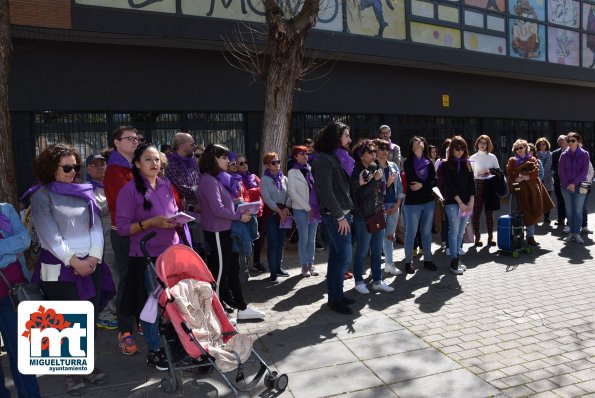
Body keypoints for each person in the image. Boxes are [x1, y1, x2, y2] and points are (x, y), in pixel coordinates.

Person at [27, 143, 113, 394]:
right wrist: (75, 261)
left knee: (88, 317)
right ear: (51, 167)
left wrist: (93, 259)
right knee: (61, 321)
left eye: (75, 166)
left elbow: (96, 228)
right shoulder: (41, 195)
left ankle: (87, 365)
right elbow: (49, 235)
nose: (72, 171)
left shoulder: (85, 193)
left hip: (91, 264)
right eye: (67, 167)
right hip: (58, 267)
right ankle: (68, 371)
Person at [116, 143, 181, 371]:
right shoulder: (130, 190)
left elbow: (172, 214)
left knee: (173, 302)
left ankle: (176, 342)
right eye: (148, 159)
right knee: (152, 305)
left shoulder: (165, 185)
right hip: (146, 256)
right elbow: (123, 228)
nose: (154, 164)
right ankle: (154, 350)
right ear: (137, 164)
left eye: (156, 159)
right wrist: (150, 223)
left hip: (171, 253)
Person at [198, 144, 265, 321]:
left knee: (232, 269)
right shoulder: (208, 180)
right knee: (219, 273)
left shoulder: (217, 178)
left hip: (226, 230)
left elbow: (222, 205)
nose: (228, 160)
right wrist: (238, 215)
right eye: (224, 157)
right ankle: (218, 314)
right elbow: (217, 209)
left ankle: (241, 307)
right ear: (213, 159)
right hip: (218, 231)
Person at [103, 125, 141, 355]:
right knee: (126, 284)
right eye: (129, 138)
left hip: (143, 232)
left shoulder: (135, 165)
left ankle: (141, 322)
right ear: (117, 142)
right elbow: (128, 201)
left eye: (136, 138)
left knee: (142, 281)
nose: (135, 141)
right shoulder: (114, 170)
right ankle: (125, 332)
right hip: (125, 233)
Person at [312, 121, 356, 315]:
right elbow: (325, 191)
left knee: (337, 257)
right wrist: (339, 216)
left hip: (342, 214)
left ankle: (336, 295)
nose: (350, 139)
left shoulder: (334, 156)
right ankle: (335, 298)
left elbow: (340, 187)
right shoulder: (323, 159)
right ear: (336, 136)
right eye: (346, 135)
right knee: (344, 256)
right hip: (335, 216)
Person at [0, 202, 41, 398]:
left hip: (13, 294)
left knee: (21, 353)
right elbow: (15, 244)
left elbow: (24, 240)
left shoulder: (5, 209)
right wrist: (9, 253)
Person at [350, 139, 394, 294]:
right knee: (362, 251)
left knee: (376, 250)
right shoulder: (356, 170)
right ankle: (359, 281)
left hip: (377, 214)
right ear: (362, 155)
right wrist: (373, 180)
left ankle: (377, 280)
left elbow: (379, 192)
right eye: (370, 151)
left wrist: (387, 184)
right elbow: (359, 195)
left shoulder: (374, 167)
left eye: (375, 151)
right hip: (363, 216)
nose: (374, 154)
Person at [87, 153, 119, 330]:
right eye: (95, 164)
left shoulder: (112, 184)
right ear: (88, 169)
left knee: (120, 277)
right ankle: (105, 312)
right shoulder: (87, 189)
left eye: (102, 163)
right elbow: (94, 212)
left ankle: (118, 310)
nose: (100, 167)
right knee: (109, 278)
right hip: (103, 242)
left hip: (120, 238)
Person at [506, 139, 554, 246]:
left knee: (530, 211)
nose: (519, 150)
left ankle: (530, 237)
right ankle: (516, 236)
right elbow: (510, 173)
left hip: (531, 191)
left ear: (525, 148)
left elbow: (535, 173)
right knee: (515, 213)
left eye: (521, 147)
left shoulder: (532, 159)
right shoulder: (512, 160)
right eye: (517, 148)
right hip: (516, 191)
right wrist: (522, 176)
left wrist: (521, 176)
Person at [402, 136, 438, 274]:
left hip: (428, 202)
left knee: (426, 233)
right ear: (412, 147)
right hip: (412, 204)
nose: (419, 141)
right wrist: (426, 185)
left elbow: (435, 181)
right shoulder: (408, 162)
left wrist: (423, 184)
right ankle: (408, 262)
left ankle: (428, 260)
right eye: (415, 141)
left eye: (421, 140)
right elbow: (412, 184)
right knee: (410, 233)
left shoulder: (429, 161)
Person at [441, 136, 475, 275]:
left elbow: (471, 183)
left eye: (462, 148)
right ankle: (454, 262)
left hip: (467, 204)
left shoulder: (467, 163)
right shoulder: (445, 164)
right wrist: (460, 202)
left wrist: (471, 201)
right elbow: (449, 186)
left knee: (461, 233)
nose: (460, 151)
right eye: (457, 148)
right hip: (453, 203)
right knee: (454, 233)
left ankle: (458, 260)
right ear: (452, 149)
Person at [165, 132, 203, 255]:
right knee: (191, 248)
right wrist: (198, 197)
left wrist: (200, 198)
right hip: (184, 212)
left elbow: (200, 182)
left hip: (199, 209)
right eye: (192, 144)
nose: (194, 146)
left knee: (202, 247)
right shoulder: (171, 164)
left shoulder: (192, 161)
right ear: (182, 146)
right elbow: (181, 187)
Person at [287, 146, 320, 277]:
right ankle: (304, 265)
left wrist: (315, 207)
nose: (305, 156)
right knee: (304, 238)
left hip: (314, 209)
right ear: (295, 156)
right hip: (300, 209)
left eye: (306, 153)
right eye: (301, 153)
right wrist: (308, 208)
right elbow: (292, 193)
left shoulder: (312, 169)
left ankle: (311, 264)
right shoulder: (292, 172)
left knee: (312, 239)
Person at [260, 152, 292, 281]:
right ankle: (273, 271)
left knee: (281, 243)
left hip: (284, 214)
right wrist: (279, 211)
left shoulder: (284, 178)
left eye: (278, 162)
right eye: (274, 162)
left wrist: (286, 209)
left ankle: (279, 267)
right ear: (267, 165)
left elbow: (290, 195)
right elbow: (266, 198)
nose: (277, 164)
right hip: (272, 215)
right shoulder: (264, 180)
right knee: (272, 243)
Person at [375, 138, 404, 276]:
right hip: (379, 207)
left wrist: (398, 204)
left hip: (393, 205)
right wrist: (387, 184)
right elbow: (374, 191)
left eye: (387, 149)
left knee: (389, 236)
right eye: (382, 148)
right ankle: (377, 268)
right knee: (378, 238)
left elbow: (399, 187)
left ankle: (389, 264)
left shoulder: (393, 165)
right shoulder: (373, 166)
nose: (385, 151)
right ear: (376, 150)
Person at [236, 154, 266, 273]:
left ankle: (256, 261)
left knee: (258, 238)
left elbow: (262, 190)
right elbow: (243, 195)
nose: (244, 165)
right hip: (246, 213)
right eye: (241, 163)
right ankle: (245, 265)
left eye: (245, 162)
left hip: (258, 211)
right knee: (246, 239)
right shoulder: (236, 179)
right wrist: (254, 192)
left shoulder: (253, 177)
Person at [559, 132, 591, 244]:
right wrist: (568, 184)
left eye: (573, 140)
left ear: (578, 141)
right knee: (570, 211)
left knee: (578, 211)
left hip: (580, 187)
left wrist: (574, 184)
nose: (570, 143)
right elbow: (561, 171)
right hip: (566, 187)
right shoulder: (563, 155)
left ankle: (577, 233)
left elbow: (584, 171)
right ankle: (571, 233)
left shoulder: (585, 154)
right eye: (568, 141)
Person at [469, 135, 501, 246]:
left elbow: (499, 171)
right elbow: (469, 175)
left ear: (488, 144)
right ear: (477, 143)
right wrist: (478, 174)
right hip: (477, 185)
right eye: (481, 142)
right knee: (476, 213)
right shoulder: (472, 157)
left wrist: (490, 171)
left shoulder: (492, 157)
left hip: (490, 185)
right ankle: (477, 237)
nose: (483, 144)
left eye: (485, 143)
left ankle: (491, 237)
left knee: (489, 213)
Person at [551, 135, 568, 229]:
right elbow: (553, 166)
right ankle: (561, 219)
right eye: (559, 140)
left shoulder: (571, 151)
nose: (561, 141)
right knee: (560, 201)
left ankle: (570, 221)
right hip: (558, 181)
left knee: (569, 201)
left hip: (569, 182)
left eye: (563, 139)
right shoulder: (555, 153)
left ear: (567, 140)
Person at [536, 137, 554, 224]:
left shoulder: (551, 154)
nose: (542, 146)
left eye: (544, 144)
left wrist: (553, 172)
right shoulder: (535, 155)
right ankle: (538, 216)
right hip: (538, 179)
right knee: (538, 198)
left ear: (546, 145)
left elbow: (554, 165)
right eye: (540, 145)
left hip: (548, 179)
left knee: (547, 199)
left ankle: (547, 217)